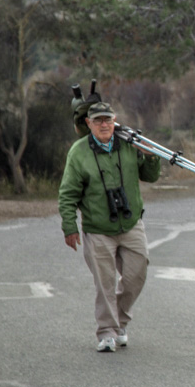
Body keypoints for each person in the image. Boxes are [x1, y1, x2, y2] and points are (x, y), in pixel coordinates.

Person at [58, 102, 161, 352]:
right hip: (98, 229)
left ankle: (120, 322)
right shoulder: (79, 152)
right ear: (88, 124)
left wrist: (150, 155)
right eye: (98, 120)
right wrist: (70, 226)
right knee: (104, 283)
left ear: (114, 120)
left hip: (131, 224)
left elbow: (150, 176)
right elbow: (68, 193)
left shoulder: (128, 143)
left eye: (108, 120)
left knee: (137, 275)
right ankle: (106, 333)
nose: (104, 125)